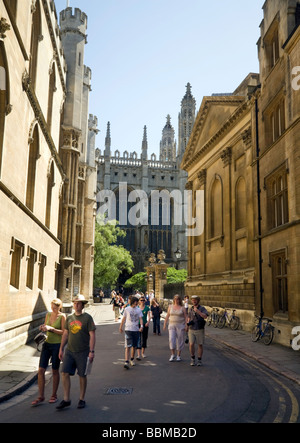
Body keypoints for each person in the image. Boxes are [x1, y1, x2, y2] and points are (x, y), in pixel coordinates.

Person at [56, 294, 96, 410]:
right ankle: (66, 399)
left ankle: (82, 399)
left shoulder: (87, 318)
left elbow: (92, 335)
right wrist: (61, 348)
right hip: (70, 350)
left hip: (83, 351)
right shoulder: (69, 318)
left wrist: (91, 351)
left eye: (78, 303)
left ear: (83, 305)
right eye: (75, 303)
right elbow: (65, 333)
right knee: (64, 373)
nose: (76, 305)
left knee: (82, 375)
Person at [31, 299, 66, 406]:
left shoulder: (62, 316)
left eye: (55, 307)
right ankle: (41, 396)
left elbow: (64, 332)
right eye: (51, 307)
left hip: (56, 345)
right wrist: (43, 328)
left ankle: (54, 395)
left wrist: (51, 329)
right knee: (41, 370)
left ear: (59, 307)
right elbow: (45, 327)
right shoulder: (48, 314)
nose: (53, 309)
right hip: (47, 344)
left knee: (55, 370)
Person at [119, 296, 143, 369]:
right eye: (136, 301)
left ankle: (132, 359)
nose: (137, 303)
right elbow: (124, 318)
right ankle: (126, 361)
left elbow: (140, 318)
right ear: (133, 301)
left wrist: (141, 326)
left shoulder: (138, 310)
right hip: (128, 329)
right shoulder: (127, 309)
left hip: (136, 329)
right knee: (127, 346)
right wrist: (120, 327)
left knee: (134, 346)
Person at [163, 294, 187, 362]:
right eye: (175, 299)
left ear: (180, 300)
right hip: (172, 325)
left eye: (178, 299)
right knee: (171, 339)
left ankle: (178, 356)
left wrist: (186, 325)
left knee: (180, 340)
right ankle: (172, 354)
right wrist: (165, 324)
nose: (176, 300)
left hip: (180, 325)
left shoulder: (182, 308)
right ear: (174, 300)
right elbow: (167, 315)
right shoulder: (170, 306)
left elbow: (186, 317)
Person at [187, 295, 208, 366]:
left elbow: (205, 316)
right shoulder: (190, 308)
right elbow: (189, 317)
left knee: (200, 344)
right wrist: (187, 324)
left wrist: (199, 312)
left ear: (198, 301)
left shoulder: (202, 308)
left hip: (199, 329)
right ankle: (192, 358)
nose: (194, 301)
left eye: (195, 300)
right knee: (191, 344)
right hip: (191, 329)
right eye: (192, 300)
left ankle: (199, 359)